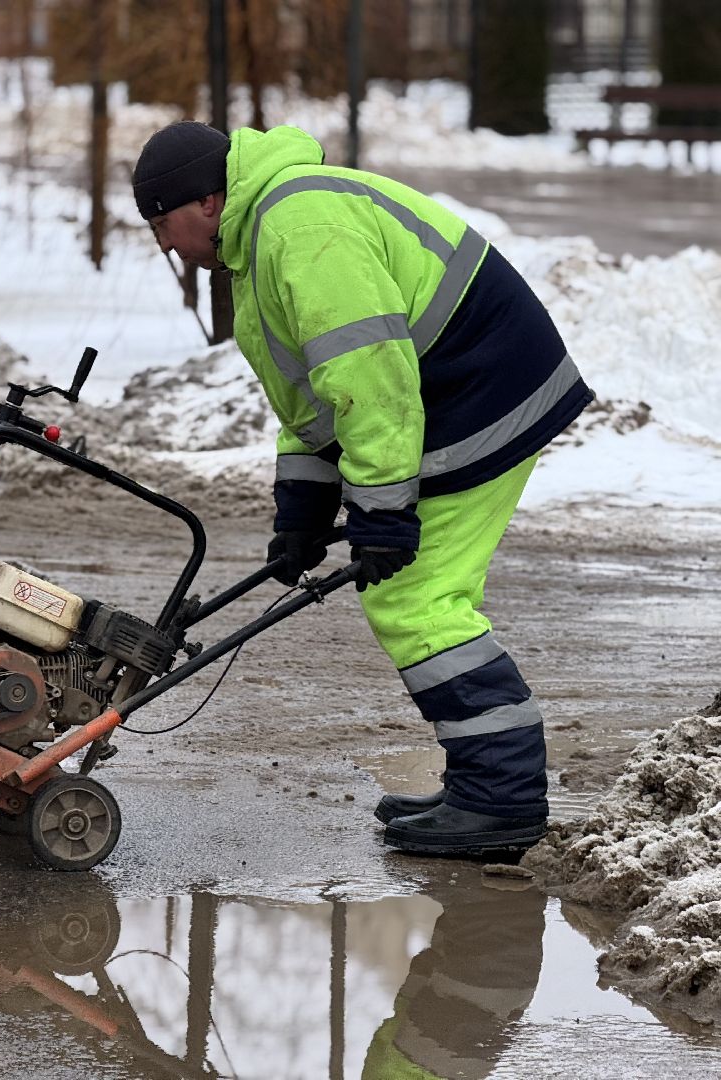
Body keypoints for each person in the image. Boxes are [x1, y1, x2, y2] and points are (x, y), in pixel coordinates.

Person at [131, 121, 593, 856]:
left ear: (209, 200)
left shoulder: (299, 224)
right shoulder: (265, 242)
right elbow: (317, 400)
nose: (164, 244)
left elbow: (372, 379)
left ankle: (500, 801)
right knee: (418, 597)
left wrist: (381, 511)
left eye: (163, 223)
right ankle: (484, 786)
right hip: (457, 393)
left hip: (483, 392)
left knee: (416, 598)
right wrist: (303, 513)